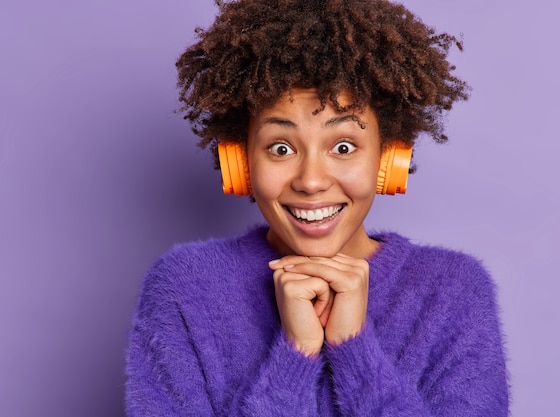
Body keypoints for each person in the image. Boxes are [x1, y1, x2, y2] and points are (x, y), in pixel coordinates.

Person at [124, 0, 509, 415]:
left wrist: (354, 349)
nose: (311, 181)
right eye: (281, 147)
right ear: (241, 162)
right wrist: (295, 354)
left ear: (387, 159)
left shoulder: (454, 291)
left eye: (343, 147)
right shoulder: (185, 288)